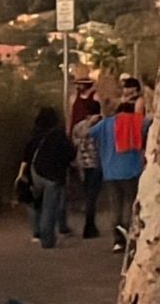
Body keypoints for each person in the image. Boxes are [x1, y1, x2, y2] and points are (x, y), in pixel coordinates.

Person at [90, 90, 148, 253]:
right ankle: (129, 234)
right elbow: (151, 124)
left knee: (115, 205)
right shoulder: (137, 122)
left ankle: (117, 240)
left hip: (110, 172)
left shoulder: (107, 123)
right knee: (130, 204)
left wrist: (95, 120)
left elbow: (89, 133)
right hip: (132, 170)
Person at [19, 107, 76, 250]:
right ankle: (47, 239)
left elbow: (26, 156)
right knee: (49, 208)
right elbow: (70, 153)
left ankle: (36, 232)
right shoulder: (58, 135)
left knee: (34, 203)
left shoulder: (34, 134)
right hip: (53, 175)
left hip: (35, 173)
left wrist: (21, 175)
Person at [70, 102, 105, 239]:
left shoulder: (78, 126)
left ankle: (89, 222)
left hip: (82, 164)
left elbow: (74, 143)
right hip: (97, 163)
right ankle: (89, 225)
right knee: (93, 196)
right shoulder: (101, 125)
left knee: (87, 194)